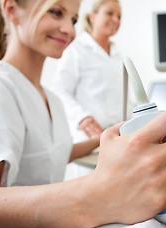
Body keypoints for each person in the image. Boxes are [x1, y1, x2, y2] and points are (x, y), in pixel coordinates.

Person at [0, 0, 166, 228]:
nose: (70, 30)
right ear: (11, 10)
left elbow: (52, 153)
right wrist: (97, 195)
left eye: (73, 20)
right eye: (56, 12)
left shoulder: (51, 100)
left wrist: (113, 138)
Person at [50, 0, 128, 143]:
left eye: (119, 16)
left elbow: (121, 98)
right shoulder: (76, 49)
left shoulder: (118, 55)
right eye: (110, 13)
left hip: (117, 136)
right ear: (93, 17)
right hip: (87, 138)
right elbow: (60, 91)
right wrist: (82, 118)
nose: (115, 19)